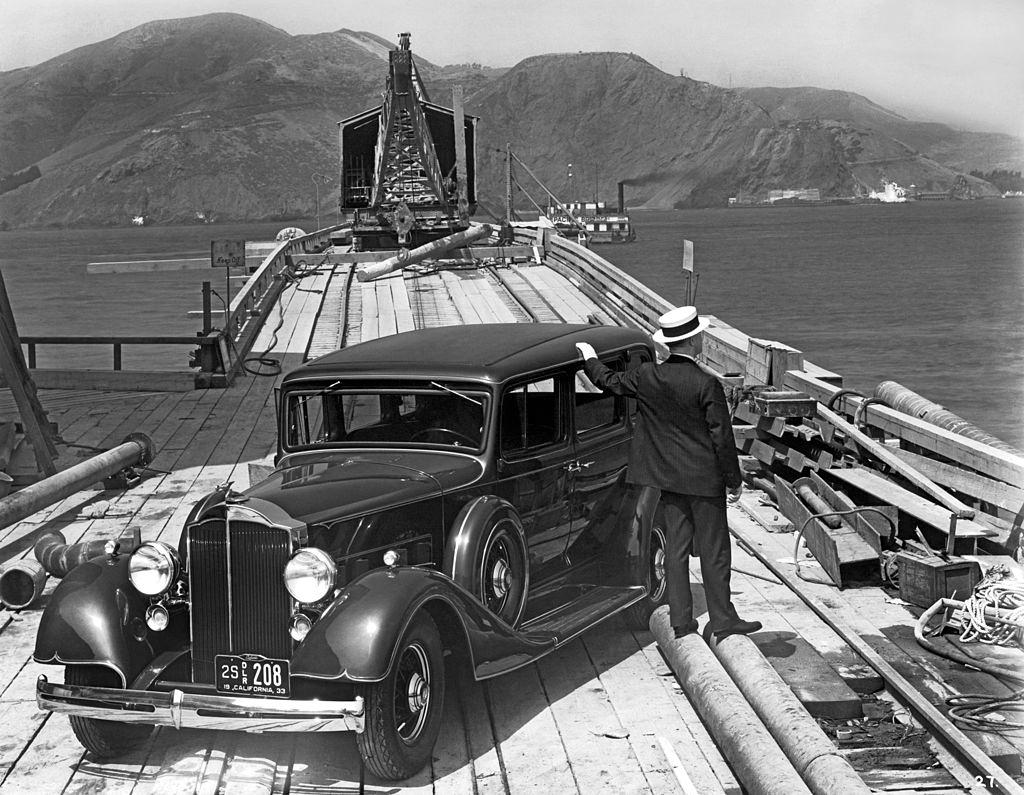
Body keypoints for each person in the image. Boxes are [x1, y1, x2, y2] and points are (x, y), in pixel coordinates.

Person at [575, 306, 761, 640]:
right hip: (705, 482)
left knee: (676, 550)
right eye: (700, 336)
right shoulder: (706, 384)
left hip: (669, 480)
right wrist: (735, 481)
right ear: (693, 342)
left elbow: (608, 381)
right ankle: (720, 620)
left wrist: (589, 357)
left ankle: (681, 621)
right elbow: (722, 438)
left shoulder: (647, 377)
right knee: (715, 551)